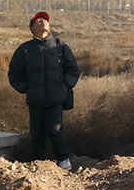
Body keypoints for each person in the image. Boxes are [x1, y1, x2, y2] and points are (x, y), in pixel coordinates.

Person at [8, 11, 81, 171]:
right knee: (37, 134)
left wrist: (65, 86)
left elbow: (73, 70)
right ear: (32, 28)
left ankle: (64, 162)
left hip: (56, 99)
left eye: (45, 20)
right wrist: (26, 88)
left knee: (56, 130)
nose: (43, 23)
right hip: (35, 100)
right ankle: (39, 165)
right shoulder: (25, 49)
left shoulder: (61, 46)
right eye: (39, 21)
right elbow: (14, 74)